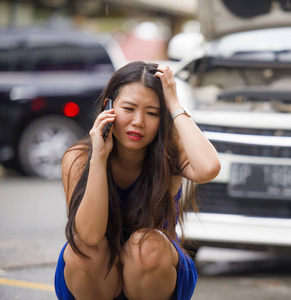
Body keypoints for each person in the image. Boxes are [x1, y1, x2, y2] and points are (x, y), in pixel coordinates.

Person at [54, 61, 221, 300]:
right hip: (94, 277)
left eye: (152, 113)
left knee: (145, 247)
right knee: (88, 251)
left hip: (153, 274)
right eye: (129, 108)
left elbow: (209, 168)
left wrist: (174, 104)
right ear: (108, 107)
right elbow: (89, 236)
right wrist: (99, 158)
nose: (138, 122)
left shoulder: (169, 153)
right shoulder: (79, 158)